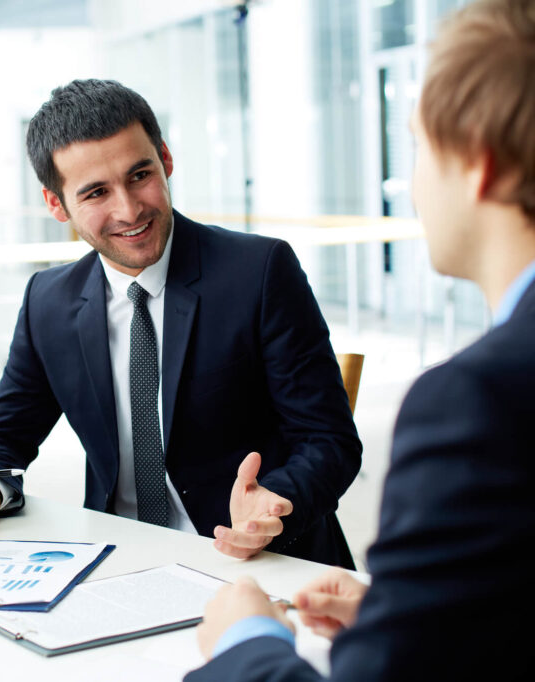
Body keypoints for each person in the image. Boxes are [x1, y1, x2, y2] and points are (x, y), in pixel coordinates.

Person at [190, 1, 535, 678]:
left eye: (417, 144)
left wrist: (246, 641)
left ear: (478, 163)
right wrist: (409, 611)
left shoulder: (476, 401)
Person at [0, 79, 362, 567]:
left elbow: (328, 441)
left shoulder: (260, 272)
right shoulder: (47, 302)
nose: (130, 209)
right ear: (57, 205)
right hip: (119, 560)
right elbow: (2, 439)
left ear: (166, 159)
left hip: (259, 559)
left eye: (140, 175)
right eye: (96, 192)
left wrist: (275, 503)